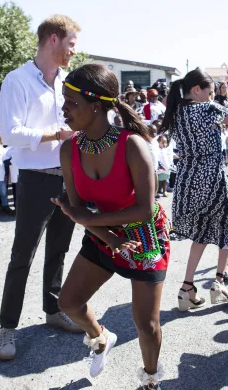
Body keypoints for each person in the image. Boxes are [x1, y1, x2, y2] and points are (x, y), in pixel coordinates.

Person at [46, 63, 170, 388]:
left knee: (146, 325)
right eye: (64, 102)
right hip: (102, 234)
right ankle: (100, 338)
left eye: (71, 103)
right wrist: (107, 237)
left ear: (96, 106)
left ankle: (151, 380)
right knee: (68, 303)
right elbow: (77, 209)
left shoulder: (132, 145)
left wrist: (89, 220)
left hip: (145, 236)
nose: (64, 110)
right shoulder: (69, 149)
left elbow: (144, 209)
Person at [0, 14, 81, 361]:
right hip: (34, 180)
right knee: (23, 256)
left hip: (67, 177)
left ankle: (54, 310)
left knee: (59, 251)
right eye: (71, 44)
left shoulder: (68, 83)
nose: (73, 51)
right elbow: (11, 133)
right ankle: (7, 328)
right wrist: (57, 134)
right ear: (53, 39)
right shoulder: (17, 80)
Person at [159, 63, 228, 311]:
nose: (211, 97)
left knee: (202, 232)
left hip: (187, 183)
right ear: (197, 89)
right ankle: (219, 282)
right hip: (212, 179)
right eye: (209, 92)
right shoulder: (208, 108)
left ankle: (187, 288)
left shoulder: (176, 111)